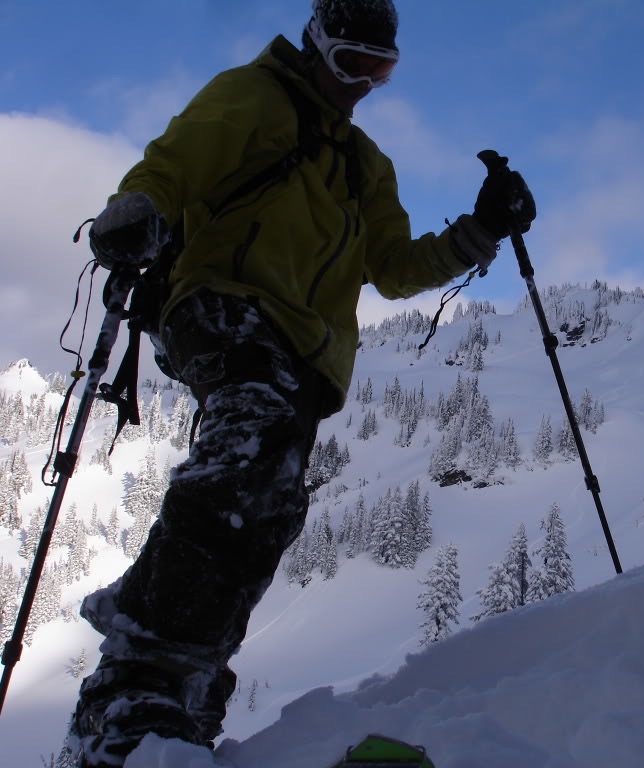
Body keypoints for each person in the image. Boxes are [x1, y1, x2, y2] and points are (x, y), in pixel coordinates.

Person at [70, 1, 536, 766]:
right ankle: (134, 681)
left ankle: (185, 691)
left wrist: (479, 231)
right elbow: (173, 162)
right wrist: (139, 209)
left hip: (307, 358)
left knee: (271, 505)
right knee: (247, 451)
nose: (363, 84)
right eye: (352, 62)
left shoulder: (366, 166)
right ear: (317, 44)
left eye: (380, 70)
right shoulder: (251, 96)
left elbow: (394, 270)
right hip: (225, 307)